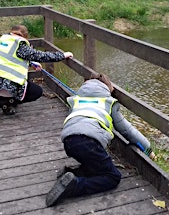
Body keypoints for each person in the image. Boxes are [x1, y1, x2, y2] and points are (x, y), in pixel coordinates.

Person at [45, 73, 156, 207]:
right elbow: (127, 130)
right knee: (113, 176)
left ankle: (72, 173)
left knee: (94, 163)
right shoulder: (108, 103)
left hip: (68, 142)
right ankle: (74, 186)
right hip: (89, 143)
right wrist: (148, 149)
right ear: (108, 88)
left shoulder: (76, 100)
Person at [0, 24, 73, 115]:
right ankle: (6, 102)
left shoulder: (4, 41)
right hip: (4, 85)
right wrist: (62, 55)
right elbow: (41, 55)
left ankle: (6, 100)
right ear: (25, 36)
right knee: (37, 91)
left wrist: (31, 63)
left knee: (23, 86)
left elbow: (9, 58)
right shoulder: (20, 44)